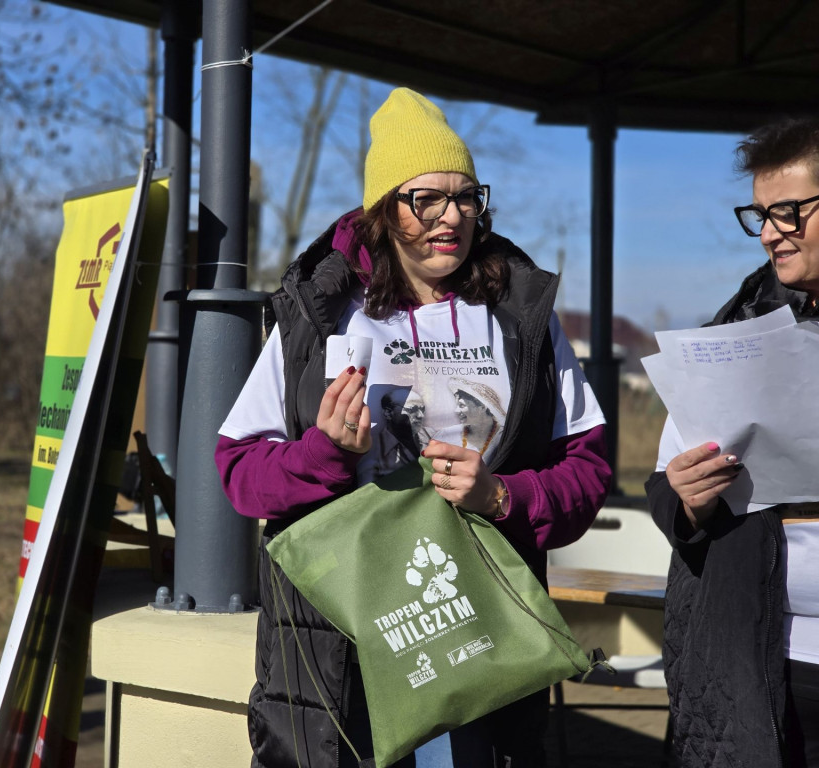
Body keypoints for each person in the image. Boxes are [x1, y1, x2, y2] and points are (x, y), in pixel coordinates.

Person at [215, 87, 612, 768]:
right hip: (338, 641)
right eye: (424, 199)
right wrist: (325, 454)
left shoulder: (523, 319)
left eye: (465, 197)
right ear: (383, 209)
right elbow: (239, 471)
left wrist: (503, 497)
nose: (450, 217)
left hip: (479, 635)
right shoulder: (322, 316)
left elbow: (590, 468)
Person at [646, 117, 819, 768]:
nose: (771, 231)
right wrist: (686, 500)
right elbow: (666, 482)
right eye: (761, 214)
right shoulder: (737, 332)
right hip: (761, 667)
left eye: (790, 212)